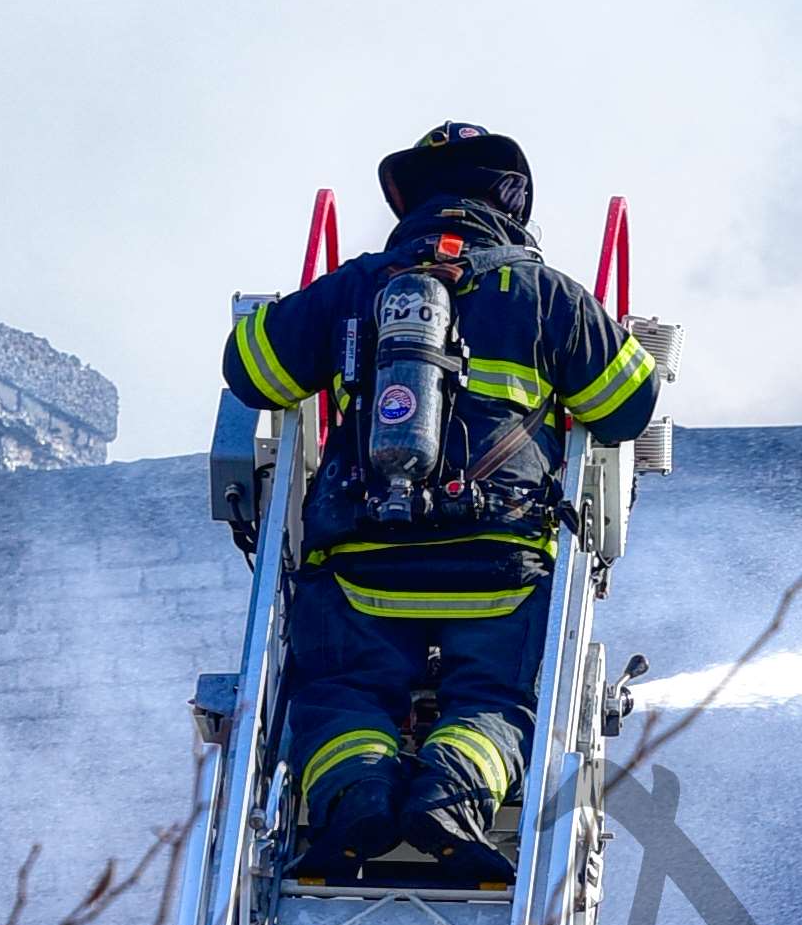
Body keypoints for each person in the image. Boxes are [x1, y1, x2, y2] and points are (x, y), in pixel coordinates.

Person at [216, 125, 656, 880]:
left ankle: (356, 797)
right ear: (509, 203)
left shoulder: (359, 285)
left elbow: (250, 370)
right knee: (498, 697)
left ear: (410, 202)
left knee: (341, 691)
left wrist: (310, 315)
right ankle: (450, 798)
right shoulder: (547, 295)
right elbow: (628, 407)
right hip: (499, 562)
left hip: (361, 558)